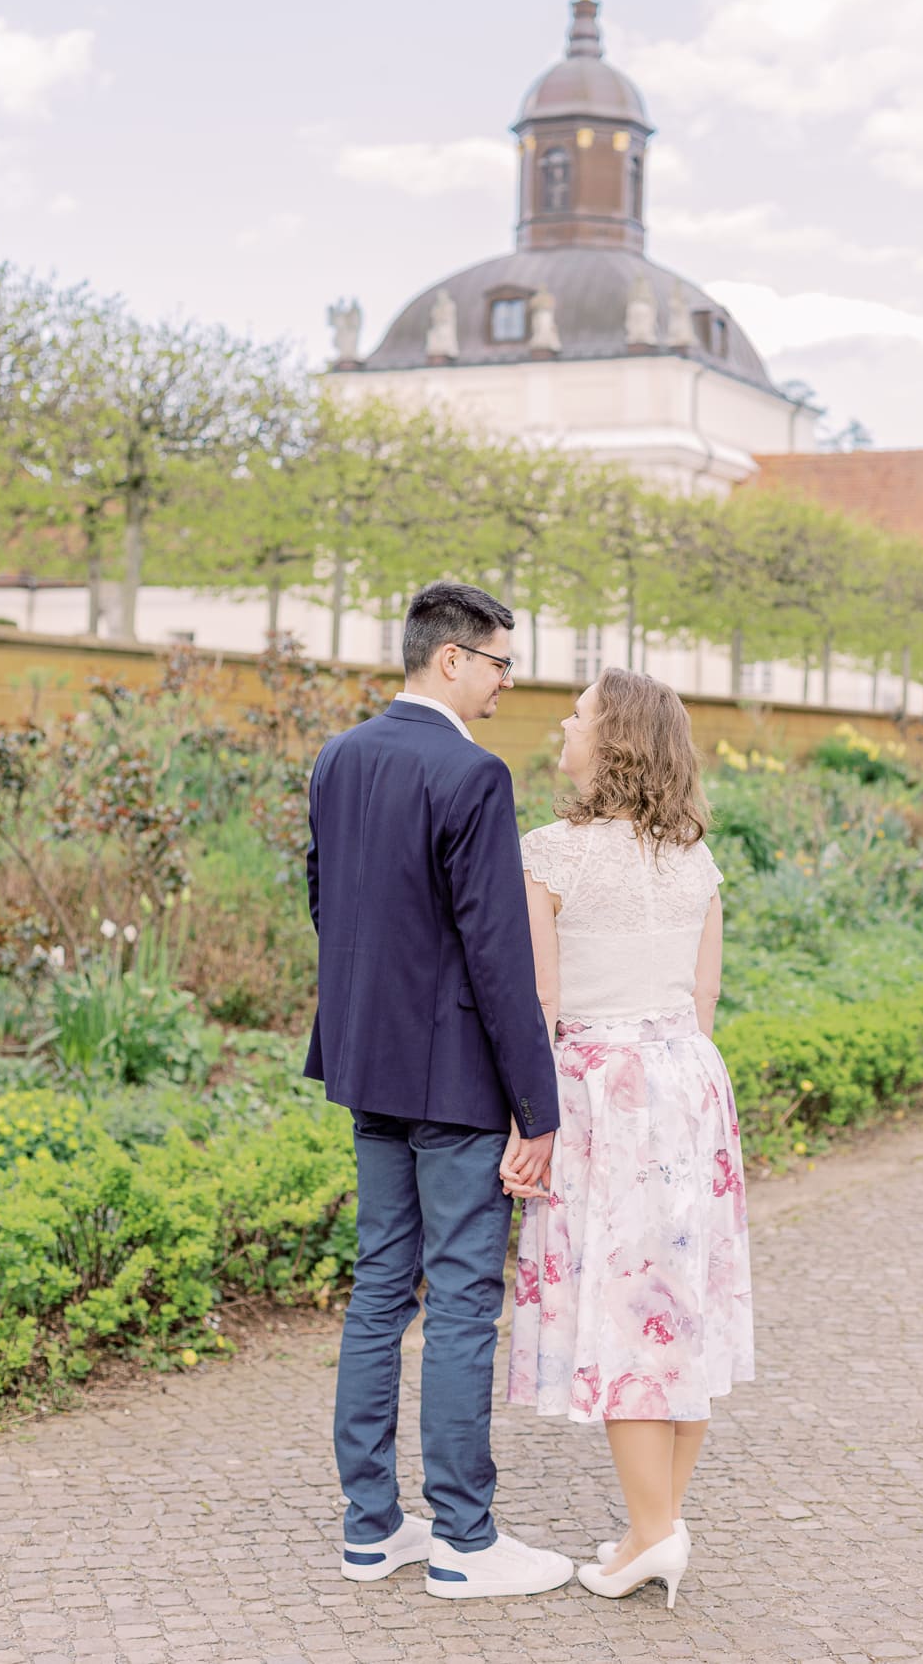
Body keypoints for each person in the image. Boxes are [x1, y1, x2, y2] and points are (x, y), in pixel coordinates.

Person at [304, 581, 573, 1600]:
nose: (510, 679)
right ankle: (465, 1537)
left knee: (380, 1290)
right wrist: (537, 1109)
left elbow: (327, 904)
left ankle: (371, 1528)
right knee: (462, 1301)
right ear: (451, 659)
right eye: (502, 661)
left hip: (367, 1065)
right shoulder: (472, 774)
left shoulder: (339, 757)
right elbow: (499, 956)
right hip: (456, 1081)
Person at [505, 667, 754, 1610]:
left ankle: (654, 1532)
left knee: (625, 1316)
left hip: (603, 1091)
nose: (564, 725)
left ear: (610, 745)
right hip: (688, 1086)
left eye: (579, 715)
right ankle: (654, 1528)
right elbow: (704, 999)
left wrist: (529, 1124)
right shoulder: (697, 860)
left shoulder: (552, 855)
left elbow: (541, 1004)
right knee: (674, 1312)